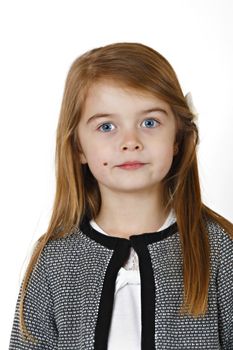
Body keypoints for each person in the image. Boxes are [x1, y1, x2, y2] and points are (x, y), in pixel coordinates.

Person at [9, 42, 233, 350]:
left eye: (149, 122)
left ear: (178, 137)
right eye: (106, 126)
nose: (130, 141)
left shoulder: (220, 249)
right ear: (78, 147)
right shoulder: (54, 260)